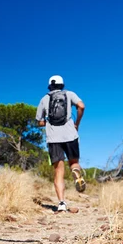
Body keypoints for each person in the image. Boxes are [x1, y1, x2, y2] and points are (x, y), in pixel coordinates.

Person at [36, 75, 86, 212]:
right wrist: (77, 123)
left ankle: (62, 203)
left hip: (53, 138)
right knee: (74, 163)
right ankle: (76, 171)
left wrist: (47, 122)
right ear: (62, 85)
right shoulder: (69, 94)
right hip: (70, 135)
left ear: (49, 86)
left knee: (59, 171)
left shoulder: (44, 99)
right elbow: (81, 106)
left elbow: (39, 121)